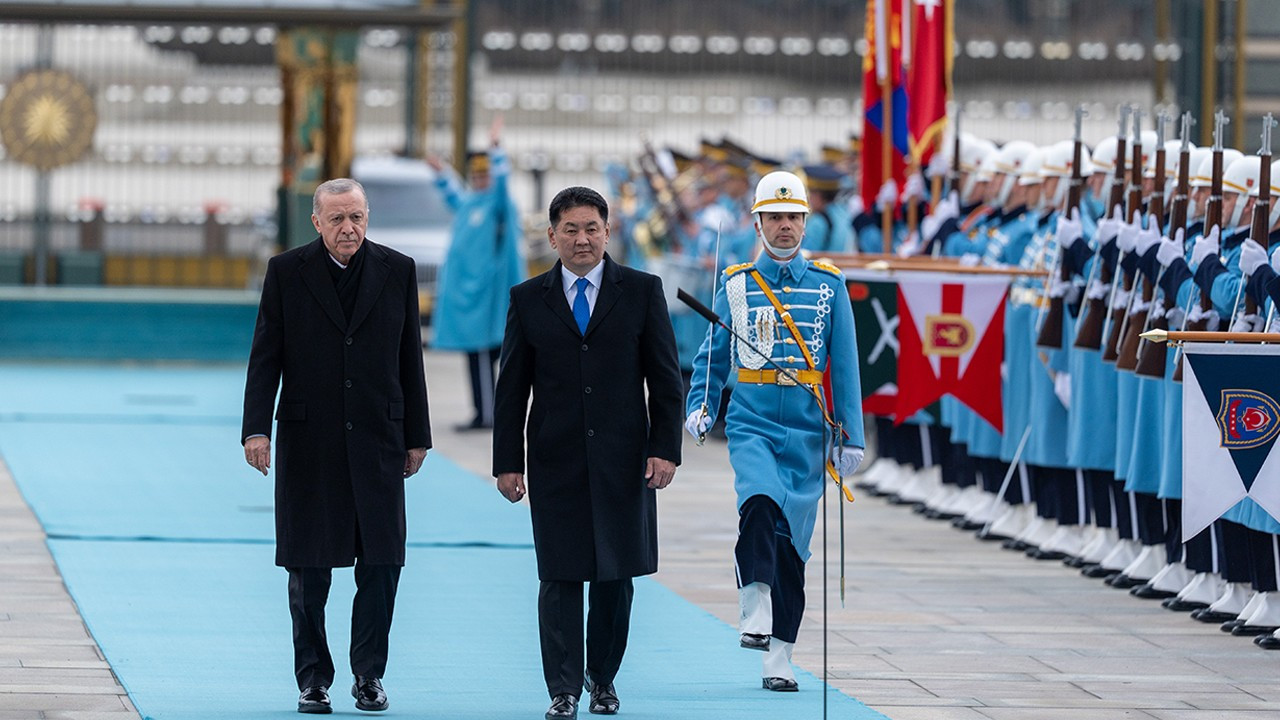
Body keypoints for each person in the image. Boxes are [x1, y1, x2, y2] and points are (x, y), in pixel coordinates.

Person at [492, 186, 683, 720]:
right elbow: (512, 389)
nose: (582, 239)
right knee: (559, 577)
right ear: (552, 237)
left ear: (608, 232)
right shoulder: (528, 299)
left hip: (625, 461)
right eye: (570, 230)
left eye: (591, 229)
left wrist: (664, 449)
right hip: (555, 459)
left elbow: (666, 381)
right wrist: (508, 461)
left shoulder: (643, 291)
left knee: (615, 579)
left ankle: (603, 680)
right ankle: (563, 689)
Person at [241, 178, 431, 715]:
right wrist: (257, 428)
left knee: (382, 563)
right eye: (338, 219)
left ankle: (368, 675)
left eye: (358, 218)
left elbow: (408, 358)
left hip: (378, 438)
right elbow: (265, 355)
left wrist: (417, 434)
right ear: (317, 222)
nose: (349, 228)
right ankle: (312, 679)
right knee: (308, 567)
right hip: (309, 440)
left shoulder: (397, 270)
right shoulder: (286, 272)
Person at [685, 171, 864, 692]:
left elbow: (846, 364)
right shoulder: (737, 282)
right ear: (757, 222)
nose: (784, 227)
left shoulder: (830, 285)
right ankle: (754, 600)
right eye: (775, 218)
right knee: (759, 502)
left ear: (806, 222)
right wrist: (702, 402)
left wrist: (849, 434)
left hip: (807, 429)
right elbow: (713, 352)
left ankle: (781, 653)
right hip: (753, 420)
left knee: (794, 546)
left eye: (793, 218)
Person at [428, 119, 525, 431]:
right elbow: (453, 196)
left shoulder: (499, 205)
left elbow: (503, 184)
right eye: (477, 175)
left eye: (486, 174)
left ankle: (489, 415)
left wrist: (496, 150)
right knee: (475, 358)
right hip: (471, 296)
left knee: (486, 356)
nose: (481, 180)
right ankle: (481, 412)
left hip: (487, 295)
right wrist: (441, 172)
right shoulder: (470, 203)